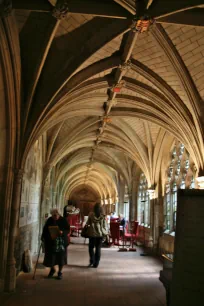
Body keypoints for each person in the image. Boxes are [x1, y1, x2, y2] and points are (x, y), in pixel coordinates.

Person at [41, 208, 70, 280]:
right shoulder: (50, 220)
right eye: (53, 215)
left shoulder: (63, 220)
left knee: (61, 258)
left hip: (61, 242)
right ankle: (53, 269)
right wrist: (43, 237)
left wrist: (62, 232)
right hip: (51, 242)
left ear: (59, 214)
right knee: (51, 257)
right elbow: (45, 229)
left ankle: (60, 272)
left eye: (56, 215)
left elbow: (68, 229)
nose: (55, 217)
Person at [86, 203, 107, 268]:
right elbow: (104, 226)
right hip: (100, 234)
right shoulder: (103, 216)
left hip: (92, 234)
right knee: (98, 248)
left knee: (91, 248)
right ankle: (96, 263)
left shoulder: (91, 215)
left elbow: (88, 223)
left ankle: (92, 260)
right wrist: (105, 233)